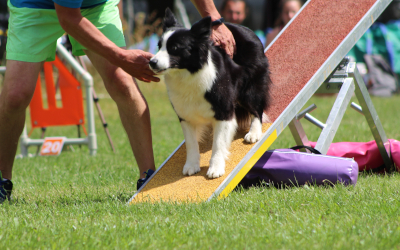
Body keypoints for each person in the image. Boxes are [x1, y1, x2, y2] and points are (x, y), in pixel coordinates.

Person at [0, 0, 236, 203]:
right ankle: (2, 181)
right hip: (35, 6)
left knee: (122, 83)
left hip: (96, 6)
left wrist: (213, 17)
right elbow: (69, 18)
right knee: (15, 96)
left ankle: (148, 177)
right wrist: (121, 56)